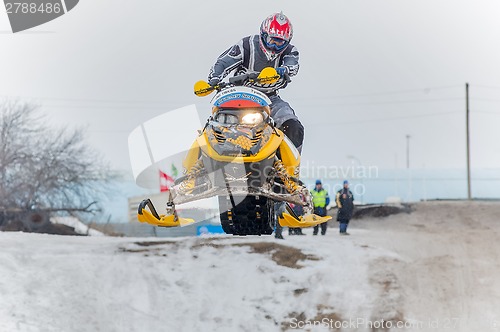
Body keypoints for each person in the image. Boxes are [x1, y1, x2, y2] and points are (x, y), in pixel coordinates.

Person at [207, 12, 304, 153]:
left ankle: (287, 171)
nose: (275, 46)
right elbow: (223, 62)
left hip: (270, 99)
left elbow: (293, 65)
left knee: (293, 126)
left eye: (280, 42)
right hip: (238, 96)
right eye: (272, 40)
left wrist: (282, 70)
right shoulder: (246, 45)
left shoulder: (290, 51)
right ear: (263, 35)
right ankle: (198, 164)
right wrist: (215, 79)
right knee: (214, 124)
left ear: (287, 42)